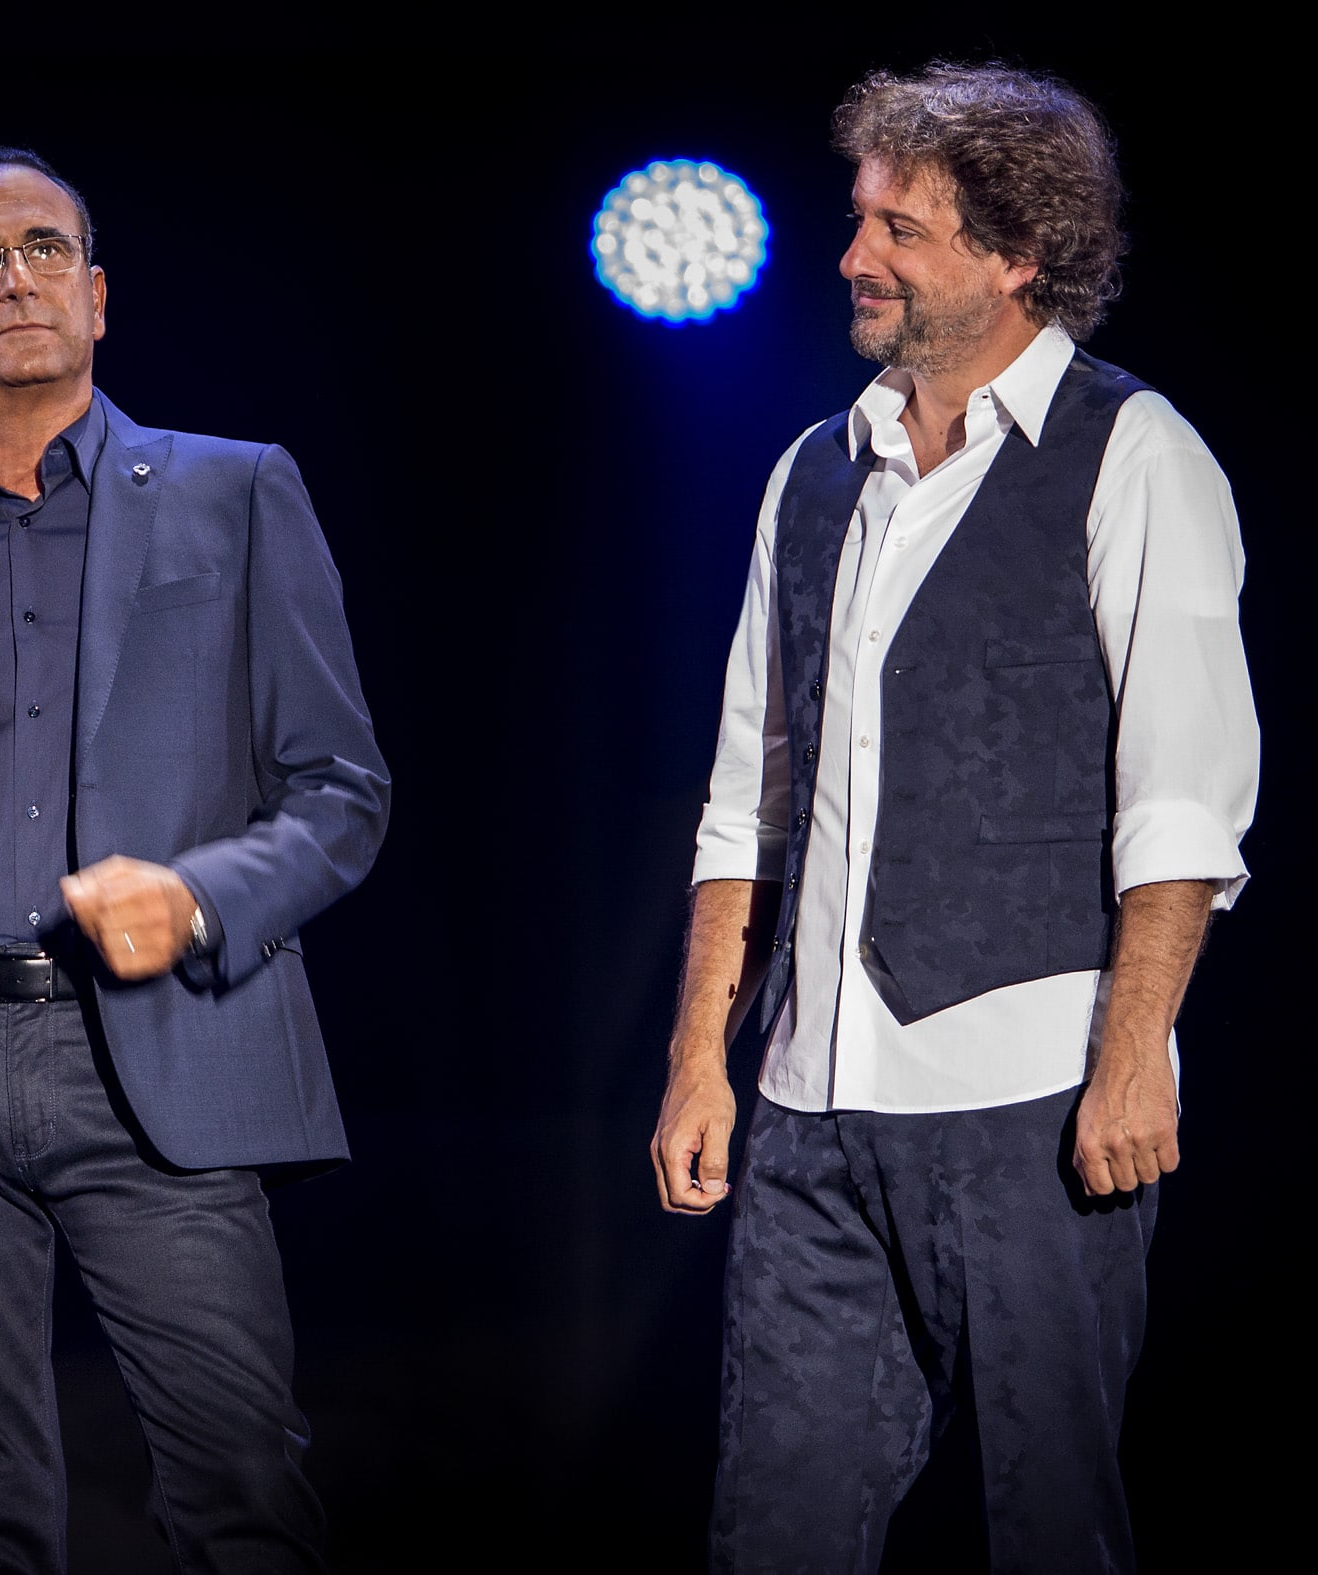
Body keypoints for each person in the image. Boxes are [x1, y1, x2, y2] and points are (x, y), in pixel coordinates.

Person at [649, 65, 1258, 1571]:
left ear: (1016, 255)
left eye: (900, 229)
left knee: (1048, 1529)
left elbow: (1182, 801)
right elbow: (748, 801)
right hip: (809, 1109)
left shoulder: (1133, 453)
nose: (854, 255)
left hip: (1029, 1100)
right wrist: (700, 1062)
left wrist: (1133, 1057)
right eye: (860, 217)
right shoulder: (812, 474)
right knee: (771, 1535)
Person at [0, 147, 389, 1571]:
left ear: (98, 296)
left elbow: (343, 791)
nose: (17, 277)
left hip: (163, 1052)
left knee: (242, 1498)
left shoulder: (235, 492)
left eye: (46, 248)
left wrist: (200, 899)